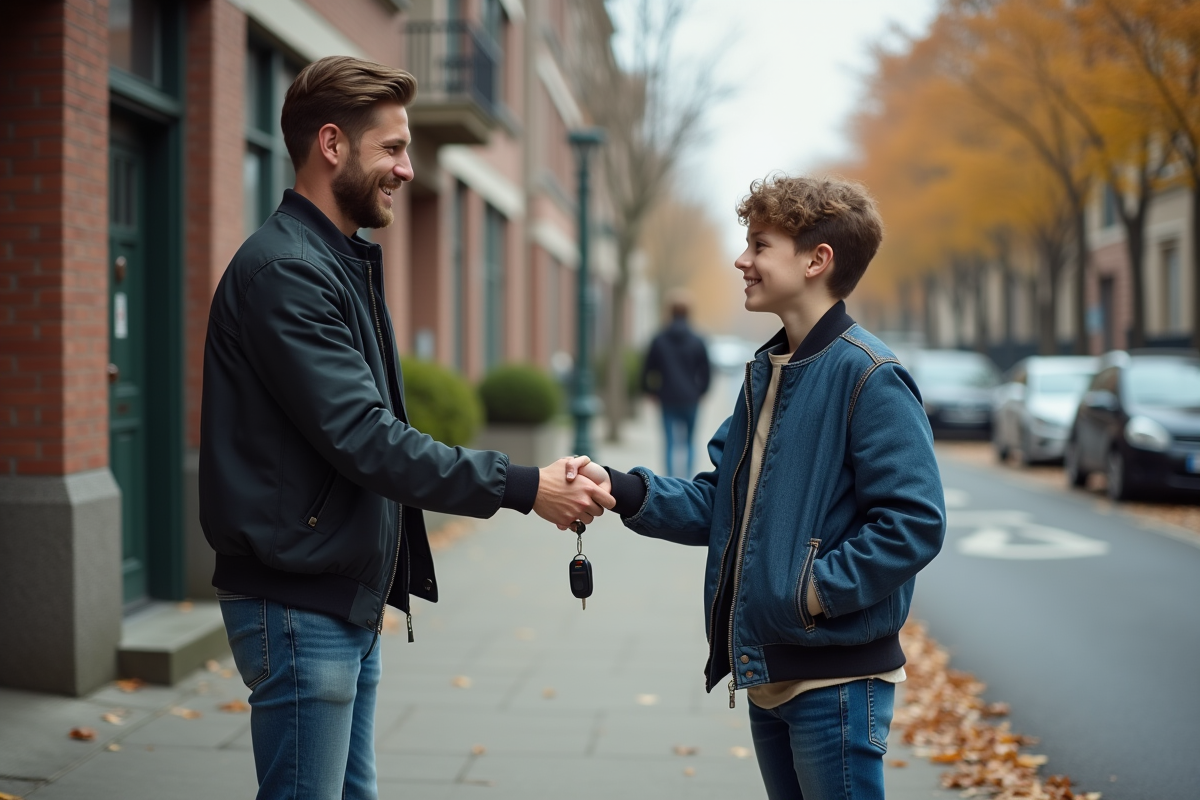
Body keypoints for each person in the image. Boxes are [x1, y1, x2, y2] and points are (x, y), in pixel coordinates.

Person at [199, 56, 615, 800]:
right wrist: (525, 487)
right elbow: (368, 437)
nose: (407, 169)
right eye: (392, 148)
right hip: (300, 605)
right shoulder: (289, 274)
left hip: (335, 596)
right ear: (332, 145)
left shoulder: (333, 262)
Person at [571, 175, 946, 799]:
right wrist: (620, 488)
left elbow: (914, 524)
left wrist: (811, 593)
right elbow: (724, 504)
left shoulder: (870, 376)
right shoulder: (769, 371)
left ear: (815, 260)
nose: (741, 260)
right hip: (770, 673)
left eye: (759, 245)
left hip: (834, 683)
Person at [640, 292, 711, 477]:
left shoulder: (659, 339)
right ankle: (687, 480)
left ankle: (670, 481)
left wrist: (650, 391)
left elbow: (648, 368)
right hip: (690, 398)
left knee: (670, 443)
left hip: (667, 397)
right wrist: (702, 391)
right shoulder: (698, 340)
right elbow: (706, 370)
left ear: (670, 312)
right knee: (689, 442)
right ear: (689, 313)